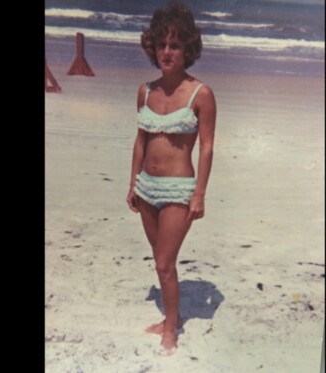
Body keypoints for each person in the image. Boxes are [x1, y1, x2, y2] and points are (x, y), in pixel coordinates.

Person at [126, 1, 217, 355]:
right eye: (161, 44)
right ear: (153, 47)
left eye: (175, 45)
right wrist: (132, 182)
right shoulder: (145, 91)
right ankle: (170, 319)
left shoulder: (201, 94)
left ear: (188, 49)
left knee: (165, 263)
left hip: (179, 190)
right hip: (146, 188)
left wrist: (200, 194)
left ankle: (171, 331)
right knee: (160, 260)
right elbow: (140, 141)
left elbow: (207, 148)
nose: (167, 52)